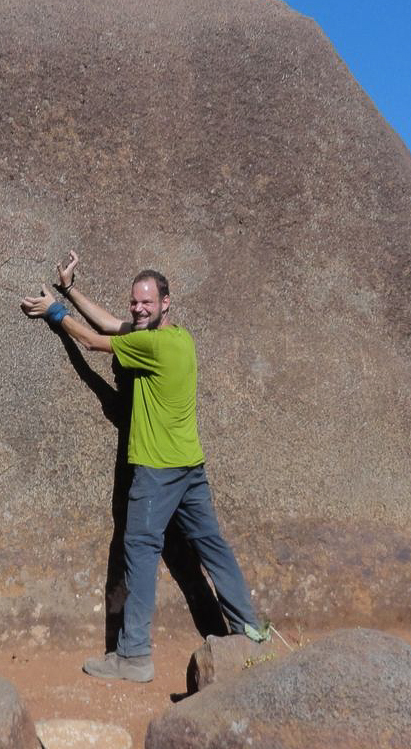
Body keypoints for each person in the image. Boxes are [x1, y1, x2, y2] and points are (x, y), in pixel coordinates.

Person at [20, 251, 269, 683]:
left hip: (157, 471)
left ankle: (133, 656)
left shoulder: (151, 345)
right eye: (135, 301)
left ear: (166, 303)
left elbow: (94, 342)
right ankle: (251, 632)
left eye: (146, 302)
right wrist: (70, 289)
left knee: (138, 553)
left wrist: (54, 312)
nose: (138, 308)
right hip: (191, 467)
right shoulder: (179, 338)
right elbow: (112, 325)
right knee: (213, 548)